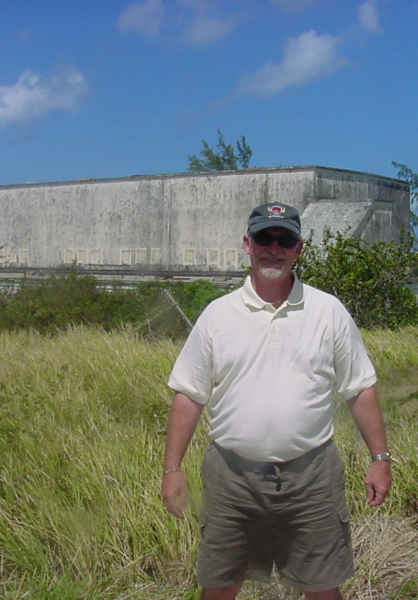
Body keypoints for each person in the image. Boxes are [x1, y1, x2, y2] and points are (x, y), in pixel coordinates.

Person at [161, 202, 391, 600]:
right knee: (219, 585)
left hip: (313, 478)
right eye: (264, 237)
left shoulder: (329, 311)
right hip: (231, 478)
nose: (274, 247)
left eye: (284, 239)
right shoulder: (217, 315)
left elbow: (359, 389)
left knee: (322, 587)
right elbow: (189, 396)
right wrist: (172, 469)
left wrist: (380, 461)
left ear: (299, 248)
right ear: (247, 244)